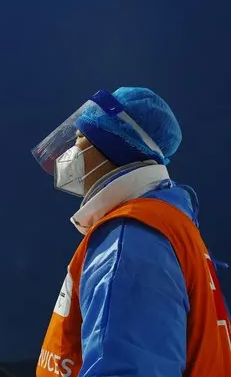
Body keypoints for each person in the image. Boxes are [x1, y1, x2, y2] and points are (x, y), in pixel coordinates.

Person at [31, 87, 231, 377]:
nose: (70, 154)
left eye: (80, 139)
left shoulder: (130, 237)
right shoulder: (170, 227)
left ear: (111, 147)